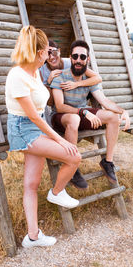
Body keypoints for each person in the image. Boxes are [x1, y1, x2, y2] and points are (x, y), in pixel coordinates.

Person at [5, 26, 82, 249]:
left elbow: (39, 104)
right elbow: (33, 118)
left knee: (31, 184)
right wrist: (60, 139)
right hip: (23, 130)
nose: (50, 57)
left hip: (36, 127)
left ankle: (32, 237)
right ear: (38, 53)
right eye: (47, 52)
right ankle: (56, 193)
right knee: (73, 155)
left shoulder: (36, 73)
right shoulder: (17, 76)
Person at [50, 40, 131, 186]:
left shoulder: (89, 79)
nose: (78, 60)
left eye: (82, 57)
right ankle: (72, 166)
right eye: (75, 57)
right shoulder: (60, 77)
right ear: (70, 58)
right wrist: (83, 112)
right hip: (61, 118)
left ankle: (108, 162)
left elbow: (104, 101)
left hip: (82, 114)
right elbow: (60, 106)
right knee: (74, 119)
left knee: (112, 117)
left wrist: (123, 111)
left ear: (87, 59)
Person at [40, 39, 102, 189]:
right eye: (47, 53)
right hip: (52, 111)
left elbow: (97, 78)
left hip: (74, 109)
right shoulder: (41, 70)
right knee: (70, 120)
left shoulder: (72, 61)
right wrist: (48, 82)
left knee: (79, 118)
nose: (51, 56)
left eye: (54, 52)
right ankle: (72, 165)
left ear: (59, 52)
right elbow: (47, 102)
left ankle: (72, 165)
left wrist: (76, 84)